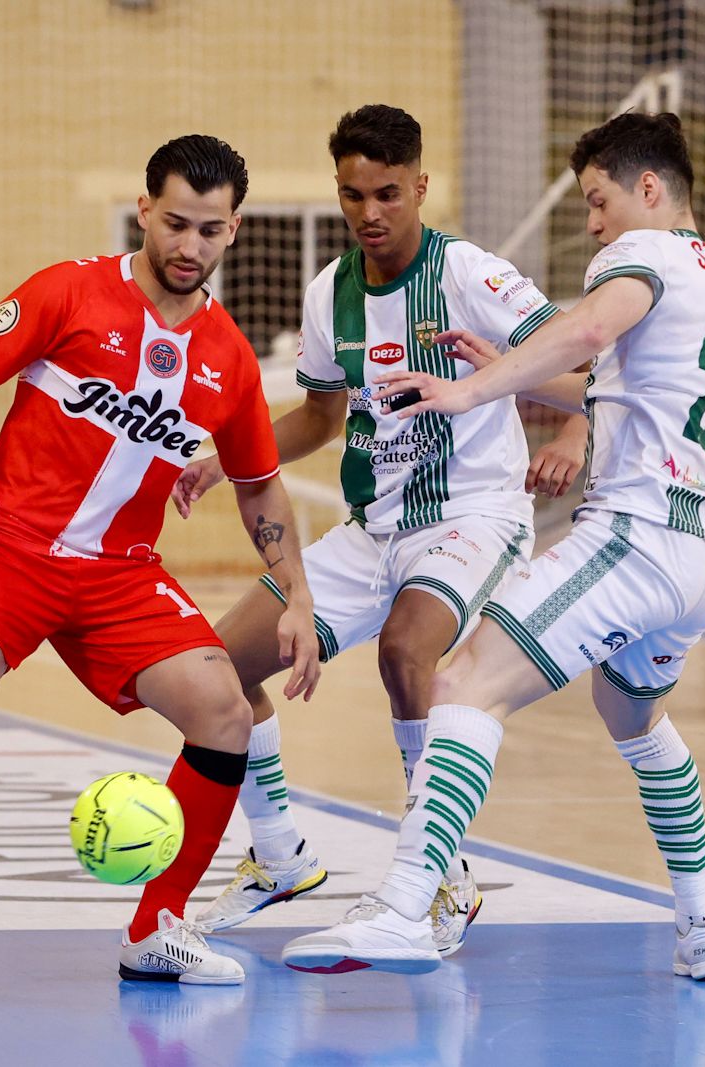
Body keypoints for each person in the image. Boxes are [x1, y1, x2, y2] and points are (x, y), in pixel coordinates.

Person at [282, 112, 705, 982]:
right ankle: (704, 926)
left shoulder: (634, 258)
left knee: (461, 682)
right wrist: (510, 361)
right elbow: (606, 386)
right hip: (703, 557)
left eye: (600, 201)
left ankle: (406, 905)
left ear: (649, 190)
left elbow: (583, 333)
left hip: (635, 539)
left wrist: (473, 390)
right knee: (635, 720)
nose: (594, 224)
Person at [0, 135, 321, 986]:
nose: (190, 247)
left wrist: (295, 594)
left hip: (120, 571)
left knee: (226, 711)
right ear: (144, 211)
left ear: (234, 232)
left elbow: (260, 488)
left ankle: (157, 928)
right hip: (9, 544)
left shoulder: (227, 357)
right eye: (176, 223)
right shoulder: (70, 288)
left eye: (210, 231)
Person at [170, 104, 589, 956]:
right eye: (352, 195)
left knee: (407, 651)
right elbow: (323, 416)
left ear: (420, 188)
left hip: (472, 517)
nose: (369, 213)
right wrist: (228, 454)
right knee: (213, 673)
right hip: (372, 531)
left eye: (387, 193)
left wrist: (579, 432)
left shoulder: (471, 274)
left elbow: (579, 363)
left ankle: (435, 873)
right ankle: (280, 853)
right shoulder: (330, 292)